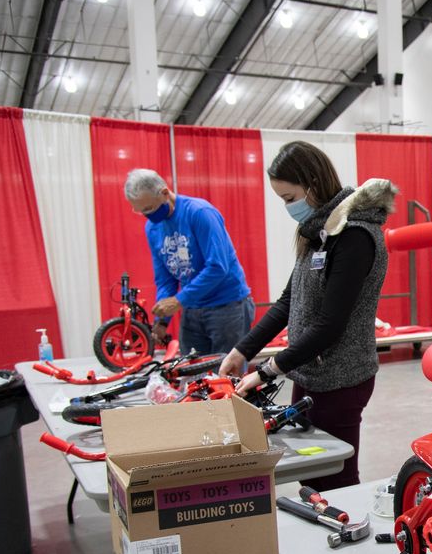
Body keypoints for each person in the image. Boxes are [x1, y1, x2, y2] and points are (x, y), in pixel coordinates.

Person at [220, 142, 393, 491]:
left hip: (342, 379)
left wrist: (267, 371)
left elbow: (330, 325)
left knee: (336, 477)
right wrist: (242, 351)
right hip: (309, 373)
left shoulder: (354, 236)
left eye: (289, 197)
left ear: (313, 184)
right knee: (312, 472)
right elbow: (289, 301)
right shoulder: (317, 233)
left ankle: (347, 536)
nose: (288, 207)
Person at [123, 169, 253, 355]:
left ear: (165, 193)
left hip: (227, 307)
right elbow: (165, 279)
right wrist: (162, 321)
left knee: (227, 376)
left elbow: (218, 267)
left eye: (149, 208)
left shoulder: (199, 213)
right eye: (141, 211)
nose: (147, 215)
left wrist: (179, 300)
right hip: (192, 308)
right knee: (191, 374)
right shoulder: (152, 228)